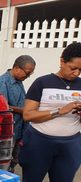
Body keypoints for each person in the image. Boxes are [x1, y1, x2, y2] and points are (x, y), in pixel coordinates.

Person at [19, 42, 81, 182]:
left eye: (80, 70)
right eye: (73, 68)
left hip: (70, 146)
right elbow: (28, 115)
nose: (76, 73)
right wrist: (59, 111)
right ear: (62, 61)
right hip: (39, 143)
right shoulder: (42, 83)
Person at [0, 55, 36, 173]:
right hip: (8, 131)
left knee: (14, 161)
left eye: (30, 74)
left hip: (20, 129)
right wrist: (21, 110)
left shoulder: (19, 81)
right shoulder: (2, 82)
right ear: (17, 68)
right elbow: (0, 106)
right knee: (3, 162)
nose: (28, 77)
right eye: (27, 73)